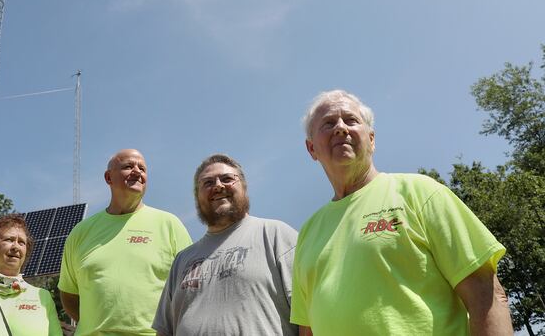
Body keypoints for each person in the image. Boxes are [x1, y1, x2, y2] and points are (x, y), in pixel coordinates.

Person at [291, 90, 514, 336]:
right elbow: (307, 329)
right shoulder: (308, 233)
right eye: (329, 123)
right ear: (311, 149)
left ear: (372, 139)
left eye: (351, 120)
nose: (341, 128)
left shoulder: (420, 192)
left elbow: (487, 294)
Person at [153, 153, 299, 336]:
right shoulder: (182, 260)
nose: (218, 186)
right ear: (197, 197)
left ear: (244, 188)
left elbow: (309, 314)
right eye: (208, 183)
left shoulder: (276, 235)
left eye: (227, 179)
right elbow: (164, 330)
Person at [59, 148, 192, 336]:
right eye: (128, 166)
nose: (137, 172)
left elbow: (190, 290)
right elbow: (69, 294)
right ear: (108, 177)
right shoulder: (81, 233)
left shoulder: (170, 225)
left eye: (142, 169)